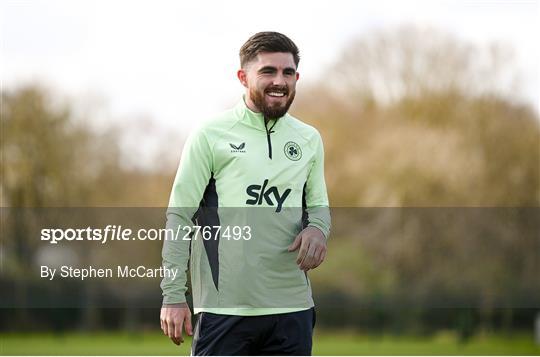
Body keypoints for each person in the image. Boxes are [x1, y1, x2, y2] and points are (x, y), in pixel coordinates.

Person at [160, 31, 331, 356]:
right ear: (243, 77)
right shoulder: (210, 135)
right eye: (268, 71)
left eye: (288, 72)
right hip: (224, 310)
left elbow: (319, 206)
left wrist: (318, 229)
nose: (279, 81)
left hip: (291, 310)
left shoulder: (309, 139)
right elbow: (179, 216)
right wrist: (172, 294)